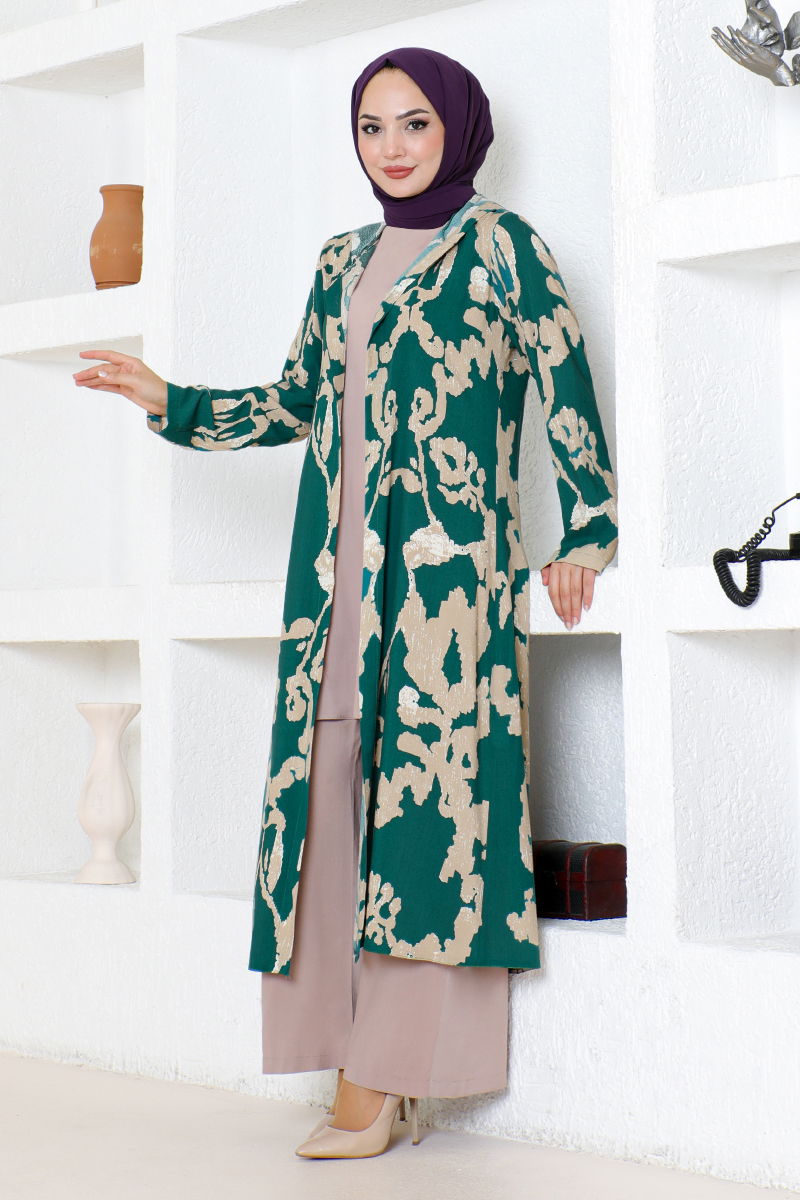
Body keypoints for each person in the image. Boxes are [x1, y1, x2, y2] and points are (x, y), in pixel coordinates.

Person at [72, 46, 619, 1160]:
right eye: (372, 126)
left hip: (447, 587)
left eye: (414, 122)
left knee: (429, 822)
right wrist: (169, 399)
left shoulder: (505, 249)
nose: (392, 146)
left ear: (457, 128)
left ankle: (383, 1082)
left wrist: (586, 534)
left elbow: (566, 388)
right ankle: (339, 1051)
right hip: (332, 582)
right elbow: (294, 402)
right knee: (323, 812)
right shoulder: (342, 261)